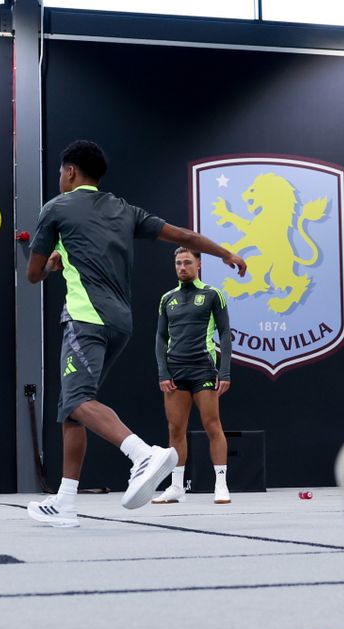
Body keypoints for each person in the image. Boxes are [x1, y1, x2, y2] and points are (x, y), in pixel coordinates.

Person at [24, 140, 247, 527]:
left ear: (71, 172)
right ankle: (64, 501)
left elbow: (32, 274)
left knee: (77, 400)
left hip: (84, 318)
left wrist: (52, 266)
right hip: (120, 323)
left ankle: (142, 453)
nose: (60, 177)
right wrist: (225, 253)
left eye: (61, 172)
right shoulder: (125, 209)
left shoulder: (55, 209)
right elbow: (184, 236)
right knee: (74, 409)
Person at [151, 247, 234, 505]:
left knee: (212, 425)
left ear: (198, 265)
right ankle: (176, 487)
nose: (182, 267)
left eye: (187, 262)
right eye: (178, 263)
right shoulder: (167, 298)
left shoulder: (212, 295)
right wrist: (163, 371)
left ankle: (220, 484)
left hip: (203, 369)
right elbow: (160, 337)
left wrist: (225, 371)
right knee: (176, 430)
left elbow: (225, 334)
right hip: (176, 371)